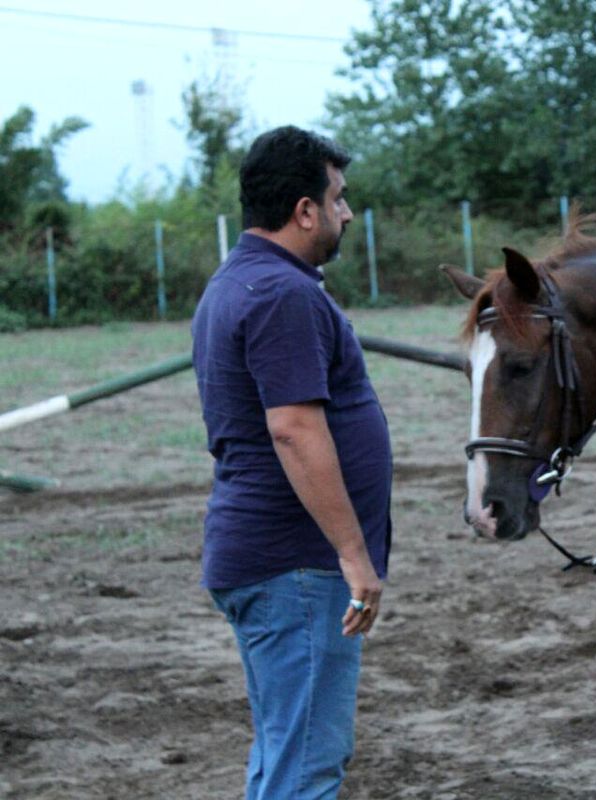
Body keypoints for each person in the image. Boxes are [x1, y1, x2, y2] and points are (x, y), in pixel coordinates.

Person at [191, 125, 393, 799]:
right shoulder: (283, 294)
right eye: (337, 198)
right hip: (297, 567)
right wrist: (353, 554)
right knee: (306, 765)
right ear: (304, 210)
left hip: (274, 561)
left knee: (286, 753)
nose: (346, 212)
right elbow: (294, 430)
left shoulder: (240, 282)